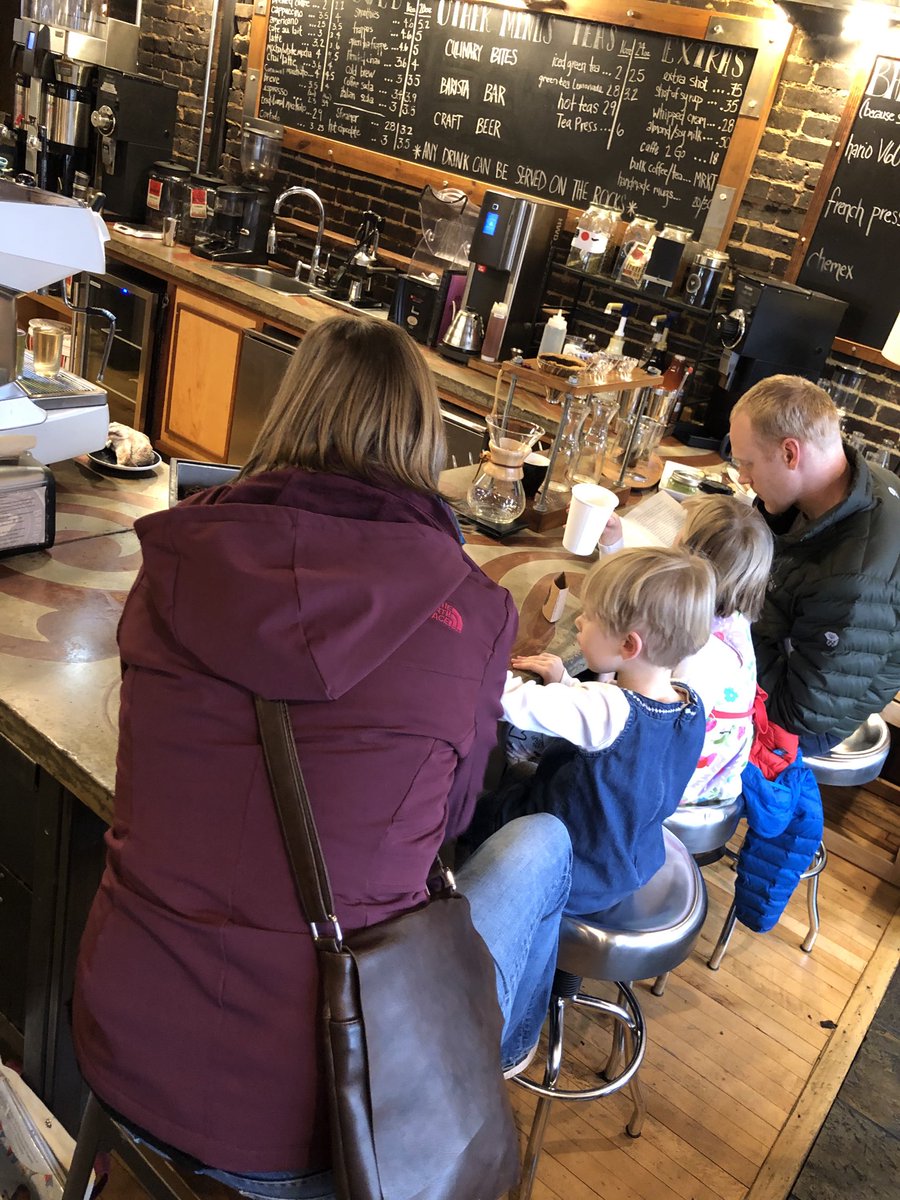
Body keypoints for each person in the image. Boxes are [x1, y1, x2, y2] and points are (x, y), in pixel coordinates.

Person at [71, 316, 572, 1198]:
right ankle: (488, 1086)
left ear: (288, 409)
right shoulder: (477, 612)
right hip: (318, 1099)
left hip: (124, 1030)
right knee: (542, 849)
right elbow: (443, 835)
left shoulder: (175, 557)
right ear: (423, 441)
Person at [468, 546, 714, 916]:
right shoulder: (689, 705)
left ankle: (468, 900)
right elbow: (612, 728)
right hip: (623, 865)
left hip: (570, 869)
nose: (579, 622)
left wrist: (465, 660)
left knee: (471, 806)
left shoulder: (606, 708)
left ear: (629, 644)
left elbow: (509, 701)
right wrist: (567, 683)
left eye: (589, 617)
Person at [729, 375, 900, 755]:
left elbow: (799, 714)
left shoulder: (853, 582)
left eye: (748, 463)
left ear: (791, 453)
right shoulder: (853, 479)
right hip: (795, 651)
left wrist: (728, 616)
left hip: (800, 722)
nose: (742, 477)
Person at [674, 495, 774, 806]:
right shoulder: (731, 617)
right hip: (710, 770)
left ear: (693, 559)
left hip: (685, 786)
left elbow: (664, 730)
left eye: (680, 532)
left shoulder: (703, 653)